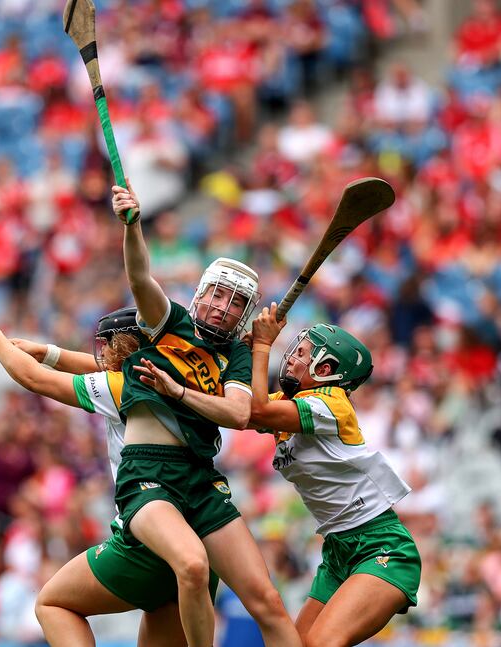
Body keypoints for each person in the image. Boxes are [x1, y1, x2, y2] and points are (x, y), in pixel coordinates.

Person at [110, 181, 302, 647]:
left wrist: (177, 391)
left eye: (234, 301)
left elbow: (238, 414)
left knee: (269, 602)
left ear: (243, 313)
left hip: (199, 479)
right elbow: (140, 278)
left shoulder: (237, 353)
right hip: (151, 475)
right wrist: (133, 228)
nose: (221, 306)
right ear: (200, 294)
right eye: (216, 294)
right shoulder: (169, 323)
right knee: (189, 570)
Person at [0, 307, 197, 647]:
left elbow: (34, 380)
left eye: (110, 347)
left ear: (126, 348)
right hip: (192, 529)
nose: (102, 355)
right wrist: (45, 352)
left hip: (149, 531)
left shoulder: (122, 388)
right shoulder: (177, 379)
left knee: (52, 603)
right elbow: (94, 368)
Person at [247, 303, 422, 647]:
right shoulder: (288, 401)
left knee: (322, 644)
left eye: (301, 353)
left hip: (381, 545)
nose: (292, 357)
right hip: (338, 550)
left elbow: (256, 410)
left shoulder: (331, 402)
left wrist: (262, 347)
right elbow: (239, 411)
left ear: (324, 368)